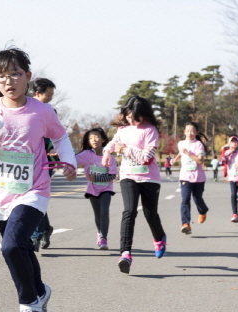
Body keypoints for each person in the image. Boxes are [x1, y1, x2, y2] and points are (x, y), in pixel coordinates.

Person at [0, 48, 77, 312]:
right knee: (21, 248)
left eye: (15, 74)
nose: (9, 81)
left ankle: (29, 304)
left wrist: (69, 162)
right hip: (1, 194)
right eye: (1, 77)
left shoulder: (42, 111)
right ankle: (40, 292)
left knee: (11, 247)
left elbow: (60, 136)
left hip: (34, 191)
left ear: (28, 76)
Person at [102, 95, 167, 274]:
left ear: (144, 114)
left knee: (150, 214)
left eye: (135, 117)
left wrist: (125, 150)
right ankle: (125, 254)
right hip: (128, 176)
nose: (131, 119)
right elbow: (114, 142)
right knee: (129, 211)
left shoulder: (150, 130)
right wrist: (107, 152)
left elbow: (147, 158)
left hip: (149, 178)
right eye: (129, 115)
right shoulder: (123, 129)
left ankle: (159, 238)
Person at [75, 128, 117, 250]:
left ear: (103, 139)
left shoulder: (109, 156)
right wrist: (57, 155)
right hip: (92, 190)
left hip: (106, 189)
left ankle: (103, 238)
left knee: (104, 212)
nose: (94, 140)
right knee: (98, 214)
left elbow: (113, 175)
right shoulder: (87, 155)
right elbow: (71, 160)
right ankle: (99, 233)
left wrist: (97, 176)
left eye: (97, 137)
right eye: (90, 138)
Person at [30, 78, 57, 252]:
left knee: (34, 197)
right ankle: (45, 229)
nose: (50, 98)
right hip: (28, 161)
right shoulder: (25, 109)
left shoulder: (49, 111)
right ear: (37, 93)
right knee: (33, 198)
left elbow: (57, 134)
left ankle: (35, 236)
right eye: (48, 94)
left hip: (47, 161)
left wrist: (55, 148)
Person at [170, 122, 209, 235]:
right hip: (185, 177)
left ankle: (203, 211)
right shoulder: (181, 143)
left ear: (196, 133)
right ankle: (186, 224)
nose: (190, 133)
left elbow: (200, 160)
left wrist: (189, 154)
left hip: (198, 177)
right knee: (185, 200)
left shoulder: (198, 145)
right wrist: (175, 159)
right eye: (187, 131)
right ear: (184, 132)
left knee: (197, 198)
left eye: (192, 131)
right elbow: (181, 153)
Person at [220, 136, 238, 222]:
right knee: (233, 195)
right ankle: (235, 214)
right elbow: (222, 162)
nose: (234, 143)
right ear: (229, 143)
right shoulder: (226, 153)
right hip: (232, 177)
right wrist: (228, 154)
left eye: (236, 142)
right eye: (232, 142)